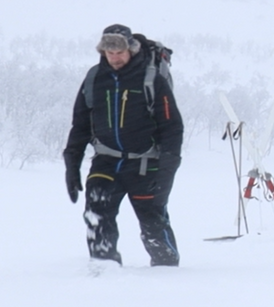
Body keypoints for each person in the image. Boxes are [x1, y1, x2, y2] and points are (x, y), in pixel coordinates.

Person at [63, 24, 184, 267]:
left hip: (145, 164)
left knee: (153, 223)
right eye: (109, 53)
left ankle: (167, 272)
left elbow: (172, 127)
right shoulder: (94, 78)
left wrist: (167, 170)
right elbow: (80, 125)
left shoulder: (152, 80)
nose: (115, 58)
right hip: (106, 162)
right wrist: (72, 164)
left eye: (119, 52)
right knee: (96, 215)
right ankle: (103, 268)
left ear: (131, 49)